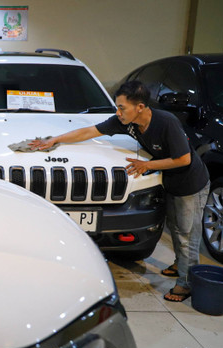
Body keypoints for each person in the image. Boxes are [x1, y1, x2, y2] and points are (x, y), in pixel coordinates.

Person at [29, 80, 210, 302]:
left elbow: (184, 159)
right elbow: (89, 131)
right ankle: (180, 264)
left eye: (122, 107)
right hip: (170, 181)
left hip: (190, 183)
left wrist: (147, 165)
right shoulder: (126, 122)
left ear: (140, 107)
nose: (118, 112)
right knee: (175, 227)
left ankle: (186, 284)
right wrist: (56, 139)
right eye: (117, 107)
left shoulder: (166, 122)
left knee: (187, 234)